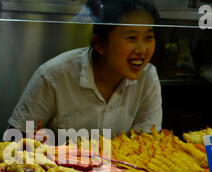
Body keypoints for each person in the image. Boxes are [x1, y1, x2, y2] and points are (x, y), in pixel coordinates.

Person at [8, 0, 162, 137]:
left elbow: (147, 145)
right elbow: (14, 140)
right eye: (131, 38)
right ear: (99, 44)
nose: (142, 50)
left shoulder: (148, 77)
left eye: (149, 37)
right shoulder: (53, 76)